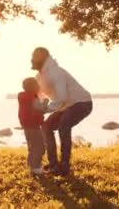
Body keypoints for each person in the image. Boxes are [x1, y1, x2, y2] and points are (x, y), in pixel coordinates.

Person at [32, 47, 93, 176]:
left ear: (43, 57)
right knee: (46, 127)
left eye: (34, 56)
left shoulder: (56, 73)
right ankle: (53, 164)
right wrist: (36, 107)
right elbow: (39, 96)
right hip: (66, 106)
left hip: (81, 103)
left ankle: (65, 165)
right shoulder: (39, 76)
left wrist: (46, 109)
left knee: (63, 126)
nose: (31, 60)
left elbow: (61, 97)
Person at [17, 77, 49, 176]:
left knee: (32, 146)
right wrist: (45, 102)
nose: (39, 87)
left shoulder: (23, 97)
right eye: (37, 85)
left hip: (27, 126)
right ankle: (36, 168)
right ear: (33, 87)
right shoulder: (32, 98)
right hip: (34, 126)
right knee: (40, 147)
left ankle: (31, 165)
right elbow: (41, 109)